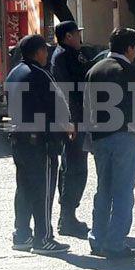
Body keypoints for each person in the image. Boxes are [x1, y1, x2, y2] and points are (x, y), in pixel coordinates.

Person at [5, 34, 73, 255]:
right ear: (38, 52)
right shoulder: (40, 74)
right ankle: (43, 238)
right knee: (43, 190)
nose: (47, 54)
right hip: (40, 142)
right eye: (45, 50)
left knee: (24, 187)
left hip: (19, 139)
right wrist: (68, 125)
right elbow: (57, 104)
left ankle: (22, 234)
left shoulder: (14, 73)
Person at [85, 27, 135, 259]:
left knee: (103, 190)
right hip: (124, 138)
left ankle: (97, 238)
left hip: (99, 138)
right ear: (130, 48)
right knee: (122, 192)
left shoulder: (94, 70)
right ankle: (115, 243)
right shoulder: (129, 71)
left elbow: (87, 107)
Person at [50, 20, 92, 238]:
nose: (79, 37)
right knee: (74, 168)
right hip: (74, 121)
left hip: (77, 119)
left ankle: (68, 215)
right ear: (68, 36)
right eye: (77, 33)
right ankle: (67, 217)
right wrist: (71, 120)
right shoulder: (64, 56)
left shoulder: (69, 54)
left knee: (74, 167)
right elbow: (66, 91)